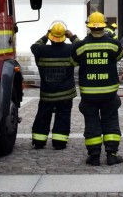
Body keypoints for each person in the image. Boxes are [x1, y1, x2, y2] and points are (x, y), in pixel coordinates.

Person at [70, 11, 123, 166]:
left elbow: (73, 63)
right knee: (111, 121)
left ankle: (94, 156)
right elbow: (119, 57)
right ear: (104, 25)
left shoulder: (80, 46)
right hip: (109, 93)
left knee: (92, 123)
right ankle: (111, 155)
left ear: (89, 27)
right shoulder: (113, 44)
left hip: (89, 94)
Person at [30, 21, 79, 150]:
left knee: (43, 115)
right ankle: (59, 142)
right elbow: (81, 46)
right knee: (63, 116)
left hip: (47, 93)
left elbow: (34, 46)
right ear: (64, 37)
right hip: (65, 93)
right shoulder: (70, 49)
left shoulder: (40, 50)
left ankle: (39, 141)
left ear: (51, 38)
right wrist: (72, 36)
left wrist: (46, 36)